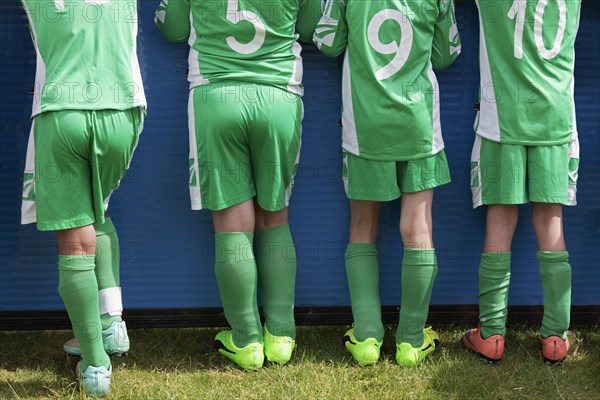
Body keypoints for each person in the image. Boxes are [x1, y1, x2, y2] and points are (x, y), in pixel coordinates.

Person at [155, 0, 321, 369]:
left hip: (216, 95)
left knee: (232, 223)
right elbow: (312, 30)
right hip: (279, 94)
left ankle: (246, 340)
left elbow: (173, 29)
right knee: (275, 217)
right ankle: (280, 335)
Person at [313, 0, 461, 366]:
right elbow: (446, 54)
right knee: (419, 228)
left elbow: (327, 41)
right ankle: (411, 340)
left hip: (364, 127)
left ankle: (366, 337)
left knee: (362, 227)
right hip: (419, 126)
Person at [19, 0, 146, 396]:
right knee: (98, 211)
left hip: (64, 110)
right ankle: (111, 324)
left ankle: (95, 363)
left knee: (75, 241)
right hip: (124, 111)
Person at [462, 0, 581, 364]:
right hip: (555, 120)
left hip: (502, 122)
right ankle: (556, 337)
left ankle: (492, 333)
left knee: (500, 219)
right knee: (551, 221)